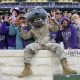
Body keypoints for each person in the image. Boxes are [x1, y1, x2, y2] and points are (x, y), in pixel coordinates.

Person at [18, 6, 77, 78]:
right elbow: (25, 37)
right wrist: (22, 28)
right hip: (38, 44)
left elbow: (56, 29)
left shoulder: (46, 25)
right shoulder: (32, 29)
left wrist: (54, 21)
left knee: (58, 46)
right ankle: (27, 69)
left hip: (47, 43)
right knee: (28, 47)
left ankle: (65, 67)